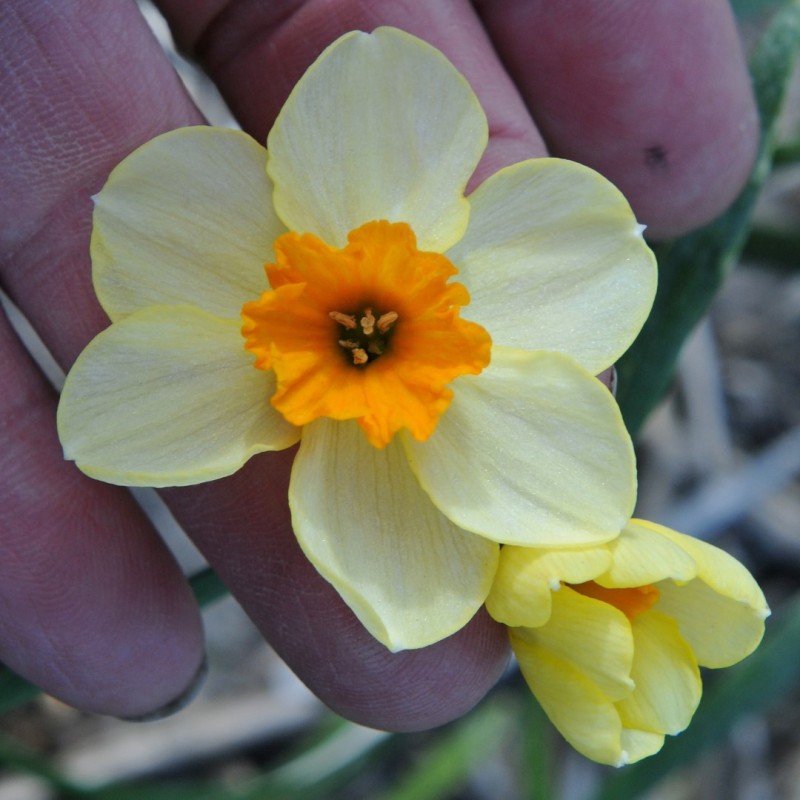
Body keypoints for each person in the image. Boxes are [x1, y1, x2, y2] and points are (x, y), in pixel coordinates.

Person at [0, 0, 757, 727]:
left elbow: (599, 253)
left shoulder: (546, 293)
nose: (365, 336)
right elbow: (146, 216)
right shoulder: (204, 223)